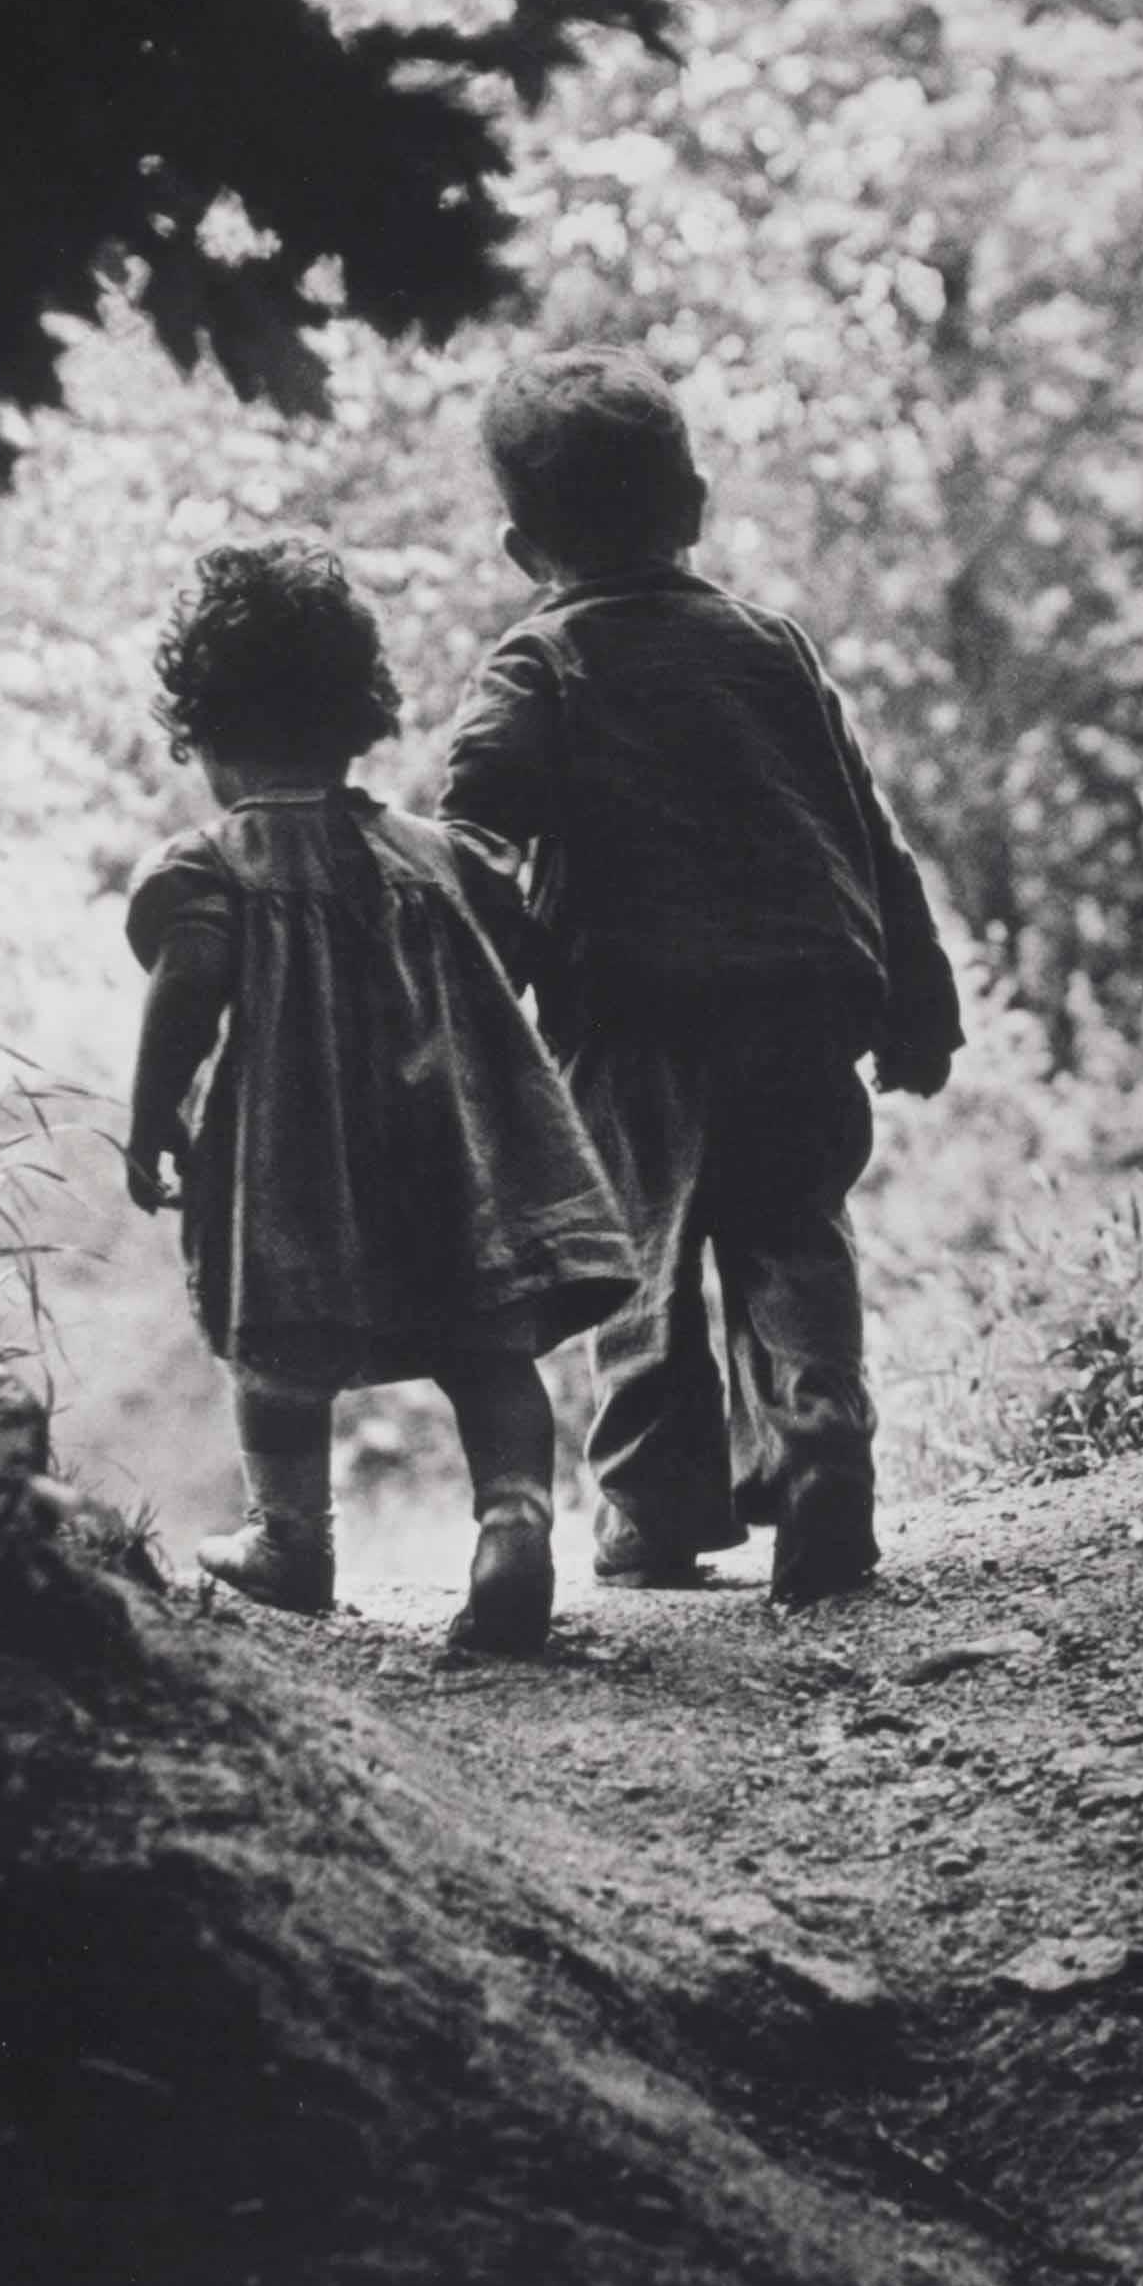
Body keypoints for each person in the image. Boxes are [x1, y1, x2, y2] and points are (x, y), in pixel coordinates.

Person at [440, 346, 962, 1607]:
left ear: (522, 548)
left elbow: (472, 821)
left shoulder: (539, 660)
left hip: (635, 1014)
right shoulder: (770, 645)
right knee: (793, 1228)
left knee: (642, 1264)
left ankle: (653, 1510)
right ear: (694, 505)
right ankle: (822, 1437)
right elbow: (864, 824)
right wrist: (917, 992)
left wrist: (494, 955)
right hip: (800, 993)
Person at [123, 539, 635, 1655]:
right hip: (459, 1154)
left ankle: (290, 1541)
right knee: (489, 1349)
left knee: (275, 1357)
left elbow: (189, 985)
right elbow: (525, 942)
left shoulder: (216, 864)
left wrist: (150, 1111)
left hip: (293, 1172)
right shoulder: (435, 853)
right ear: (359, 715)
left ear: (203, 732)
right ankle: (512, 1523)